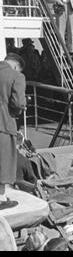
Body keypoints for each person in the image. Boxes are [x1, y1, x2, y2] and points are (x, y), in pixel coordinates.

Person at [0, 53, 26, 210]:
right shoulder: (16, 76)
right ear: (16, 66)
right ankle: (1, 198)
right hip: (3, 123)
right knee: (3, 160)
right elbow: (18, 103)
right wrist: (16, 113)